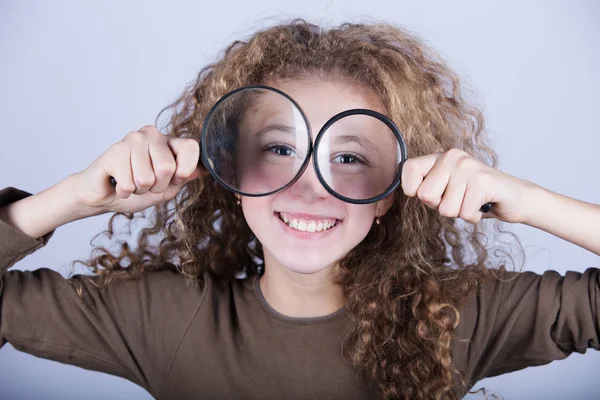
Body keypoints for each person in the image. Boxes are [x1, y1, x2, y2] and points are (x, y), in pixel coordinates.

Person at [0, 19, 599, 400]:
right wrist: (71, 198)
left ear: (392, 191)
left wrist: (532, 203)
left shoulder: (460, 319)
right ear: (231, 174)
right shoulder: (162, 319)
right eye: (280, 149)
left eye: (349, 158)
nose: (311, 185)